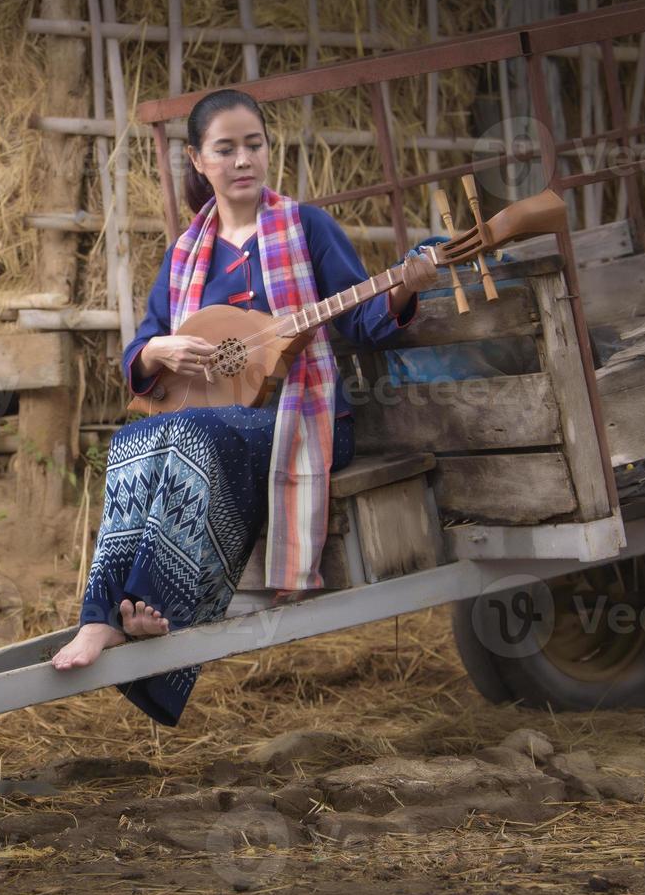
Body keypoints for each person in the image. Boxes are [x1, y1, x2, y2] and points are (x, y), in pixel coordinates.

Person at [50, 88, 438, 725]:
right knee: (131, 443)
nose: (242, 160)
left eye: (253, 145)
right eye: (225, 149)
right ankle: (104, 620)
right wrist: (161, 353)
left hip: (308, 422)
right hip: (217, 421)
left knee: (195, 434)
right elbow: (144, 350)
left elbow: (364, 319)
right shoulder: (185, 254)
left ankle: (159, 606)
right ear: (199, 163)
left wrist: (403, 290)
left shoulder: (306, 227)